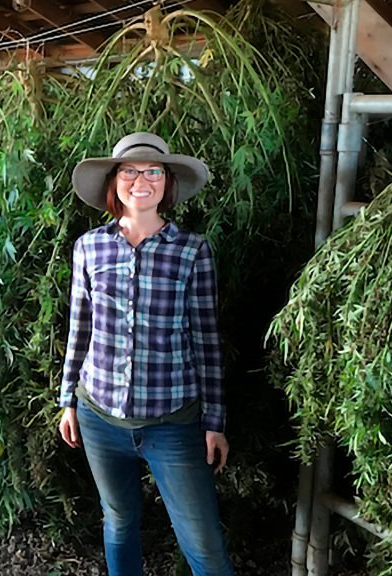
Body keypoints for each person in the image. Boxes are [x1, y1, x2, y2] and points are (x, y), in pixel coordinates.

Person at [58, 132, 234, 576]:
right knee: (119, 520)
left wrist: (215, 421)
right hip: (99, 417)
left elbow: (206, 339)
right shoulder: (89, 248)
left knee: (203, 543)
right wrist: (67, 401)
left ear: (167, 183)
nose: (142, 180)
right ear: (114, 182)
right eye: (129, 171)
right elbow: (79, 328)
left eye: (153, 171)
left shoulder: (192, 251)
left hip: (172, 422)